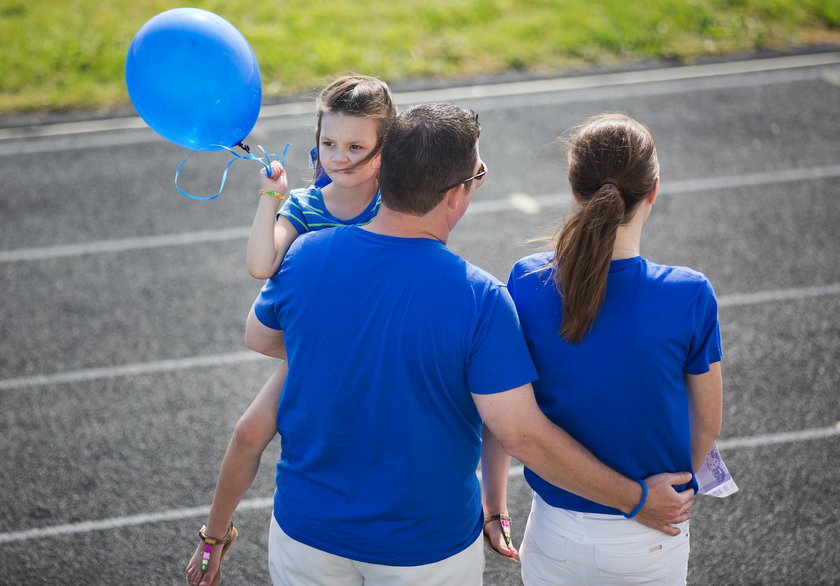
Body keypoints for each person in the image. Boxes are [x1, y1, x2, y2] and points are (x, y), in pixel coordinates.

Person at [243, 103, 695, 585]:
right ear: (457, 194)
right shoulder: (480, 300)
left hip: (305, 534)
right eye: (478, 176)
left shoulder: (307, 254)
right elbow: (521, 434)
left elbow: (260, 336)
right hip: (423, 547)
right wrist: (636, 499)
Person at [492, 113, 723, 584]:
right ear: (653, 191)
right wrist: (675, 489)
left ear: (576, 190)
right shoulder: (689, 294)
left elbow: (501, 408)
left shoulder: (527, 280)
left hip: (554, 534)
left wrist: (494, 505)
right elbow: (707, 422)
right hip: (649, 537)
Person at [185, 74, 397, 586]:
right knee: (247, 432)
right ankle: (216, 534)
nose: (339, 157)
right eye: (328, 143)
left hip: (384, 356)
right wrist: (269, 197)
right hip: (318, 355)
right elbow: (261, 265)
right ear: (315, 143)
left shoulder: (394, 206)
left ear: (385, 150)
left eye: (356, 146)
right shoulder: (305, 207)